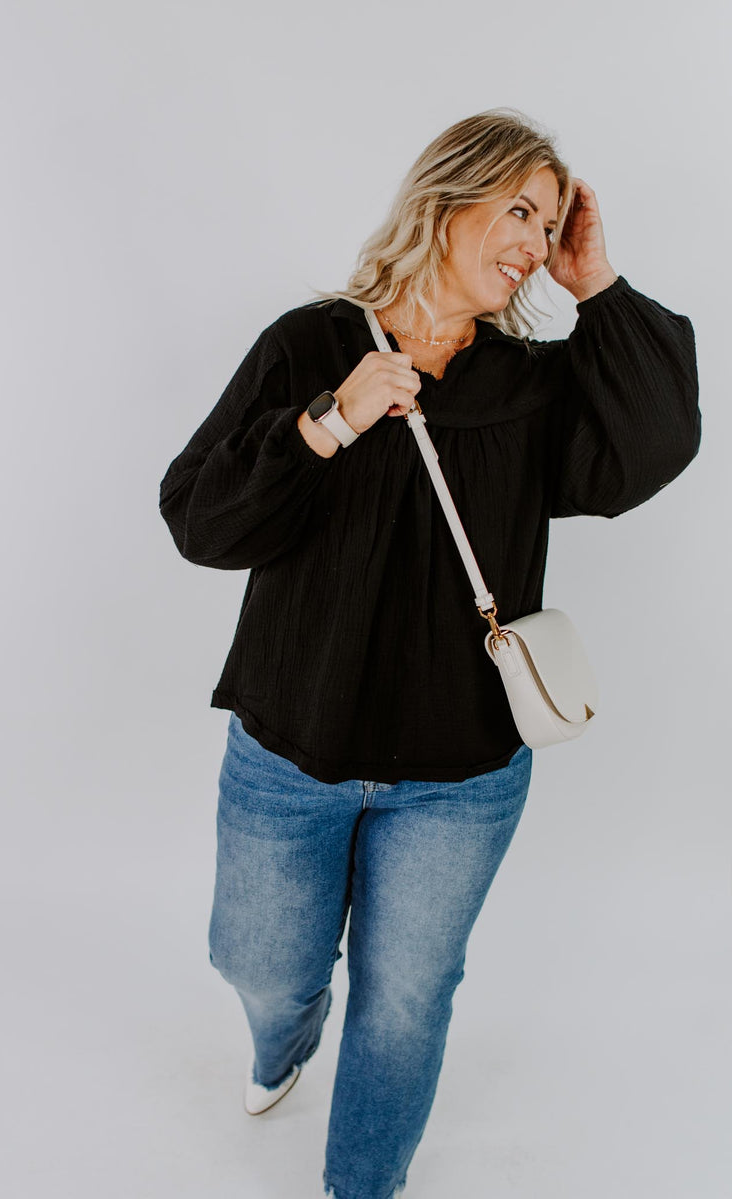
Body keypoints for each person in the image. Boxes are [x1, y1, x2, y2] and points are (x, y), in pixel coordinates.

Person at [159, 109, 700, 1199]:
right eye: (518, 210)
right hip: (290, 748)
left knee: (407, 996)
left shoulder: (530, 384)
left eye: (547, 223)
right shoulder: (311, 345)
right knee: (257, 962)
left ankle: (361, 1183)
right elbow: (198, 521)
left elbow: (653, 444)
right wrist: (328, 421)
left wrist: (596, 284)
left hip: (460, 773)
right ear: (446, 198)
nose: (532, 240)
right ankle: (287, 1033)